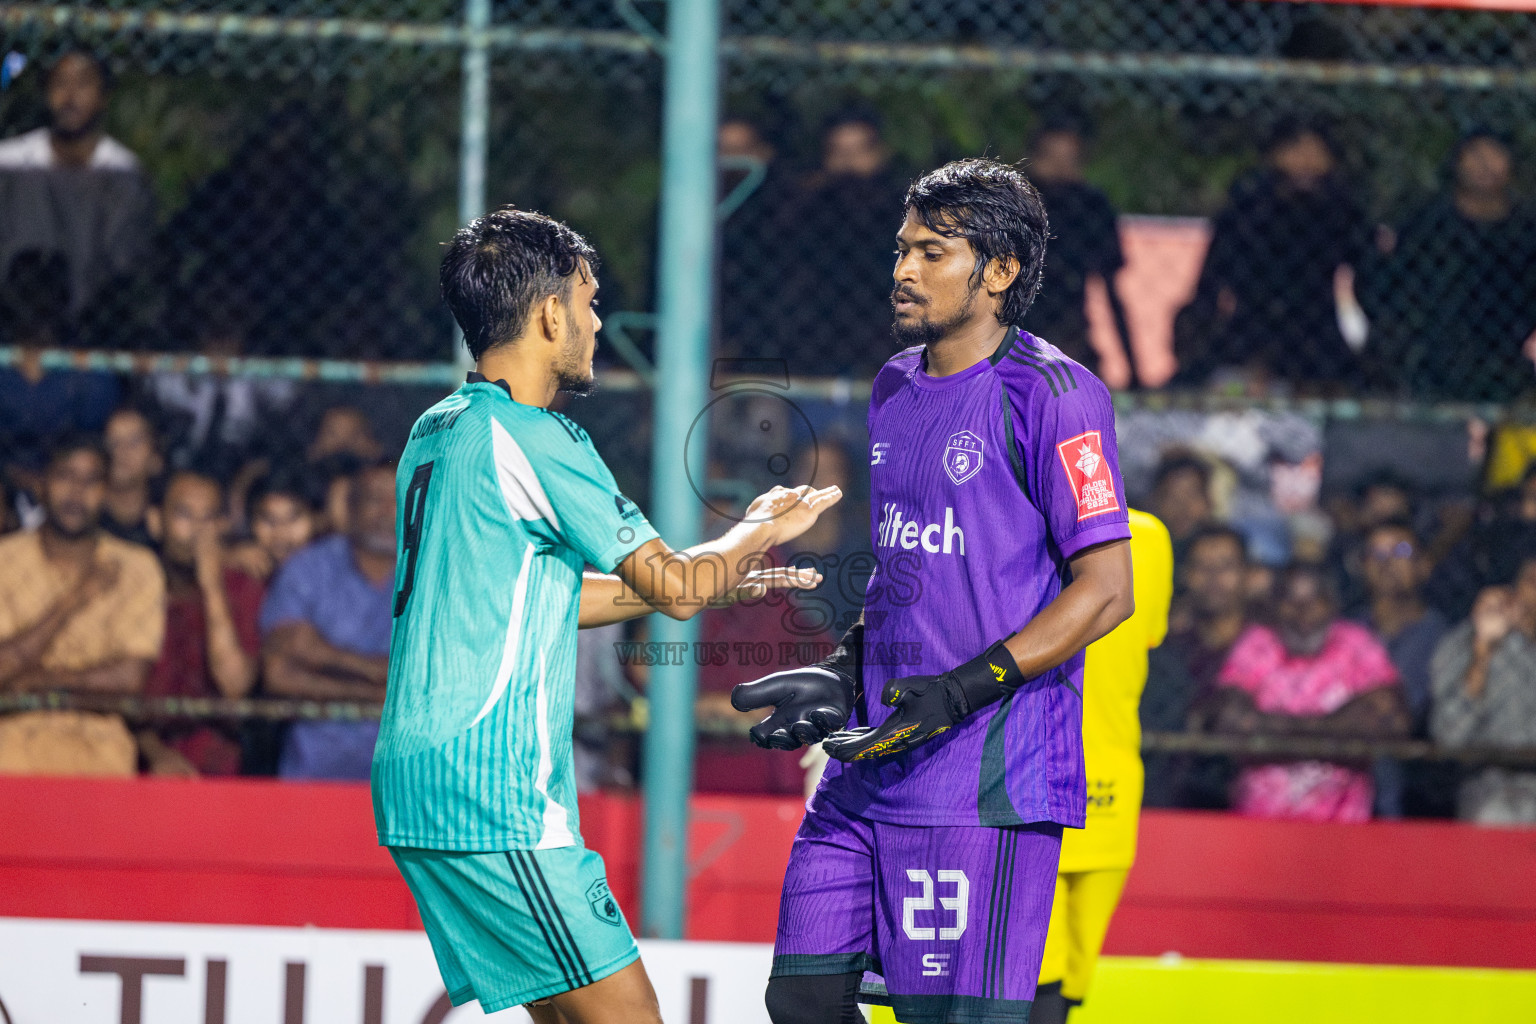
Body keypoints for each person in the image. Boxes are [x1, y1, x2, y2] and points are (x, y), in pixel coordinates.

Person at [371, 207, 840, 1023]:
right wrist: (760, 526)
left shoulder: (439, 428)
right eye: (589, 302)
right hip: (497, 791)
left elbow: (534, 595)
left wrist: (715, 576)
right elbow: (676, 589)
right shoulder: (540, 438)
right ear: (550, 312)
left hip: (416, 782)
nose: (594, 322)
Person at [731, 159, 1135, 1024]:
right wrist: (846, 666)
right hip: (870, 764)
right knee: (801, 1001)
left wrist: (960, 691)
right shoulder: (895, 383)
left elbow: (1106, 591)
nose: (903, 270)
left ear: (1000, 271)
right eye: (902, 248)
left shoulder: (1057, 395)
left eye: (932, 252)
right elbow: (906, 560)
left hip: (986, 779)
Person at [1034, 510, 1173, 1024]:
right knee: (1066, 983)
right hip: (1111, 782)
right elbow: (1148, 632)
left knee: (1030, 975)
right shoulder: (1150, 536)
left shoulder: (1014, 528)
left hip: (1033, 775)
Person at [0, 436, 165, 776]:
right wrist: (71, 603)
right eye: (65, 476)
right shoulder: (5, 560)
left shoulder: (136, 566)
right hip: (13, 747)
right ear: (41, 484)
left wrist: (38, 682)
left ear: (106, 492)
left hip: (100, 750)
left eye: (91, 481)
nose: (77, 493)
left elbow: (128, 679)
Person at [1174, 117, 1371, 390]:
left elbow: (1368, 276)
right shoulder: (1249, 205)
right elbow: (1211, 281)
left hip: (1316, 330)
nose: (1306, 160)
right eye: (1295, 148)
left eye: (1315, 150)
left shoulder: (1340, 208)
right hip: (1251, 327)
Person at [1208, 563, 1410, 822]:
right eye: (1291, 602)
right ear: (1275, 607)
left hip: (1344, 826)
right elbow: (1231, 721)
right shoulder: (1256, 644)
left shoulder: (1356, 644)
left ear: (1332, 606)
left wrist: (1272, 732)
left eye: (1315, 602)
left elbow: (1391, 720)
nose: (1303, 613)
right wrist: (1339, 732)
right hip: (1260, 826)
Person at [1361, 130, 1536, 400]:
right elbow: (1388, 286)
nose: (1485, 164)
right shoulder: (1425, 223)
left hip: (1508, 357)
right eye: (1476, 155)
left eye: (1494, 154)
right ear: (1457, 162)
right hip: (1429, 356)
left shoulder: (1525, 229)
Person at [259, 459, 398, 780]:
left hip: (407, 780)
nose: (388, 511)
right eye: (375, 499)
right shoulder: (308, 569)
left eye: (399, 497)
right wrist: (378, 682)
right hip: (316, 772)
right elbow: (279, 675)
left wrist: (318, 655)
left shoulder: (436, 573)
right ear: (350, 508)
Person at [0, 49, 154, 324]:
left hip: (94, 320)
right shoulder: (10, 162)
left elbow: (123, 260)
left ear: (103, 96)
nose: (69, 96)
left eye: (83, 84)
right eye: (60, 84)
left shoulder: (122, 172)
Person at [139, 469, 263, 778]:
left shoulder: (241, 587)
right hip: (144, 756)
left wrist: (211, 584)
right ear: (156, 522)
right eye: (184, 515)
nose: (198, 531)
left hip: (221, 762)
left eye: (208, 519)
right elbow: (119, 695)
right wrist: (157, 756)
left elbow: (234, 685)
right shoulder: (135, 587)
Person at [1020, 118, 1137, 386]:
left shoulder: (1090, 206)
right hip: (1012, 333)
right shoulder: (1013, 203)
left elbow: (1112, 292)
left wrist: (1134, 371)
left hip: (1070, 335)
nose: (1061, 168)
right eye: (1053, 157)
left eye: (1069, 159)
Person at [1144, 524, 1252, 809]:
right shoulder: (1166, 652)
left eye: (1225, 566)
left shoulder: (1271, 646)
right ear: (1186, 575)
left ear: (1248, 575)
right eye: (1202, 567)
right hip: (1176, 806)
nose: (1214, 578)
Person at [1429, 560, 1536, 824]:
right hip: (1492, 791)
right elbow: (1449, 737)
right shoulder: (1464, 643)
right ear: (1514, 590)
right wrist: (1482, 652)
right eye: (1533, 582)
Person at [226, 466, 321, 583]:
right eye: (269, 520)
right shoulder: (241, 573)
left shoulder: (339, 566)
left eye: (293, 518)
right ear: (251, 523)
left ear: (316, 519)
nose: (281, 533)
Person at [101, 406, 164, 548]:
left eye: (134, 442)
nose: (122, 451)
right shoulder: (84, 511)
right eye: (113, 442)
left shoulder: (164, 521)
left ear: (156, 459)